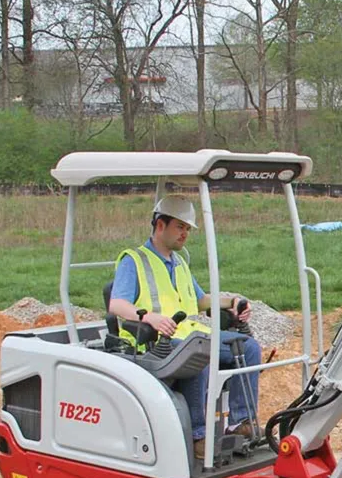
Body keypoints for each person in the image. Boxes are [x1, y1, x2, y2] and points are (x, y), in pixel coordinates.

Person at [107, 195, 262, 459]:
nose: (185, 234)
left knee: (247, 347)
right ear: (160, 226)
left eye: (188, 229)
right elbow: (117, 304)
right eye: (180, 227)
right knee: (198, 354)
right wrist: (149, 318)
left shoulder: (179, 263)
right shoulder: (134, 261)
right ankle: (197, 437)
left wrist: (232, 301)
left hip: (188, 337)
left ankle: (241, 422)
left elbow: (200, 300)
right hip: (152, 344)